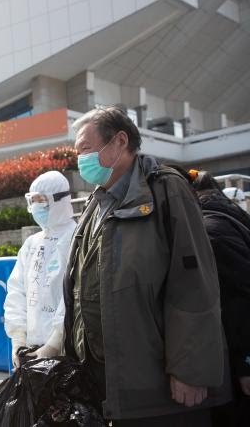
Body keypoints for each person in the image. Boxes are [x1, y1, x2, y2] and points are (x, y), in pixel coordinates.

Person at [63, 106, 230, 426]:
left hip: (162, 390)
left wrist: (190, 369)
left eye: (85, 148)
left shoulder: (165, 189)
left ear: (119, 142)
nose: (79, 158)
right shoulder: (95, 204)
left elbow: (194, 281)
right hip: (112, 384)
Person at [174, 168, 250, 427]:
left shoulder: (209, 232)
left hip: (235, 363)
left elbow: (239, 299)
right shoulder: (227, 215)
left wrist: (245, 363)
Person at [3, 170, 76, 368]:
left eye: (41, 200)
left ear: (59, 200)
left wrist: (55, 342)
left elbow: (73, 295)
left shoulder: (75, 238)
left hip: (66, 349)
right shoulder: (32, 243)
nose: (36, 207)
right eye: (32, 201)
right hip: (31, 348)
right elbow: (17, 291)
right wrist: (18, 338)